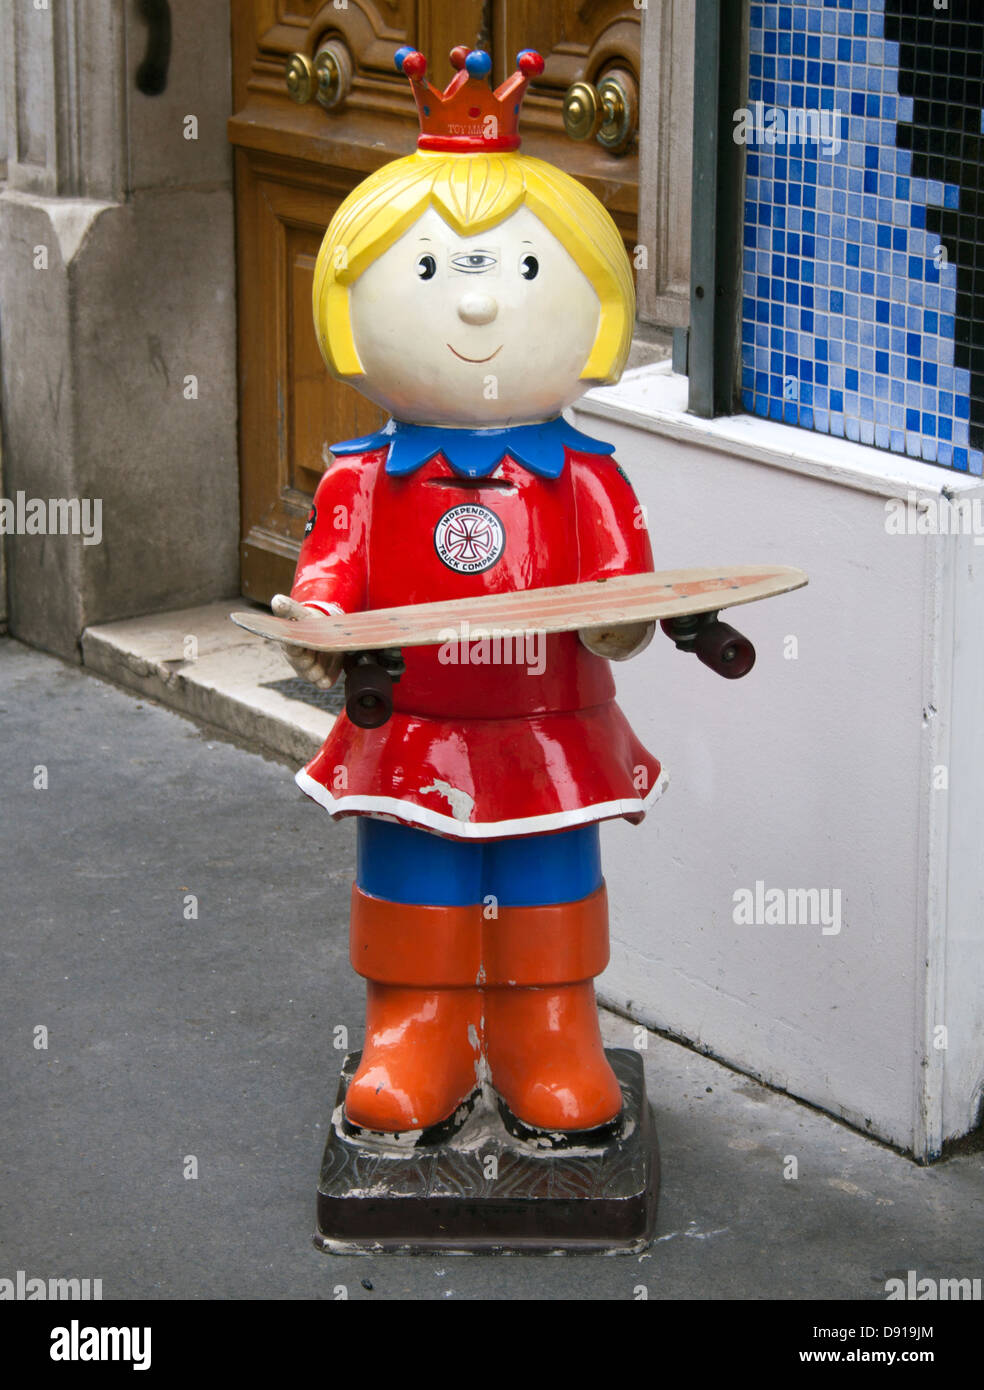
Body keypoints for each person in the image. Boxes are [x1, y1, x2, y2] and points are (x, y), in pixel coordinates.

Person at [274, 45, 665, 1137]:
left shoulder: (585, 478)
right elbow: (330, 569)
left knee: (548, 882)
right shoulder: (363, 478)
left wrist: (624, 617)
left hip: (549, 730)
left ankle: (550, 1032)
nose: (484, 303)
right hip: (415, 728)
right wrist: (322, 625)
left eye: (524, 271)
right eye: (438, 271)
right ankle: (418, 1031)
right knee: (413, 880)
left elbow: (622, 590)